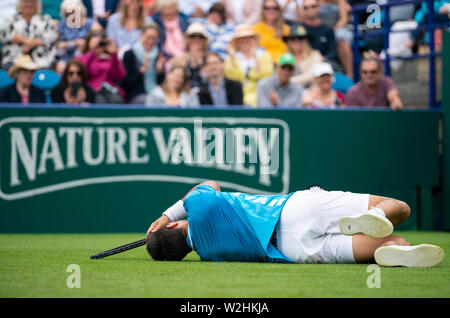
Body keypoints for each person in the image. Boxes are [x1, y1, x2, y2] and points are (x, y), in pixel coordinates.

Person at [145, 180, 444, 267]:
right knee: (399, 210)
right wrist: (167, 214)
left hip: (295, 250)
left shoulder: (209, 256)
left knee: (391, 243)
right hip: (295, 210)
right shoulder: (200, 205)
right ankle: (376, 218)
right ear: (172, 228)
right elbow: (207, 185)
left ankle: (397, 250)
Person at [224, 24, 274, 108]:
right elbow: (231, 77)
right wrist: (233, 59)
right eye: (241, 38)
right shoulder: (231, 58)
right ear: (237, 42)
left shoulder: (264, 55)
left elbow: (266, 75)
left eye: (248, 37)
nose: (245, 40)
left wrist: (255, 57)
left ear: (253, 39)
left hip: (260, 97)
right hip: (237, 98)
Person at [0, 0, 58, 70]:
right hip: (14, 60)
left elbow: (52, 35)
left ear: (37, 5)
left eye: (32, 2)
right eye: (26, 2)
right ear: (20, 4)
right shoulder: (11, 20)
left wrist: (30, 44)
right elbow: (4, 34)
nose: (29, 4)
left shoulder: (46, 19)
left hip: (42, 61)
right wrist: (26, 40)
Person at [77, 30, 127, 103]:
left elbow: (119, 75)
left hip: (111, 91)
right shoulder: (81, 58)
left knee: (117, 100)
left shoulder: (110, 58)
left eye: (100, 43)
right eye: (95, 43)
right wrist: (92, 52)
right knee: (99, 100)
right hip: (92, 91)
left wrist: (113, 54)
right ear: (88, 43)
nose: (98, 45)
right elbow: (81, 72)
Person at [122, 23, 165, 104]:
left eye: (154, 38)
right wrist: (140, 72)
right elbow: (126, 83)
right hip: (136, 95)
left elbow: (161, 82)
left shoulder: (158, 55)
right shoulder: (130, 54)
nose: (150, 41)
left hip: (155, 92)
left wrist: (160, 70)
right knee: (149, 100)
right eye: (148, 37)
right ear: (141, 35)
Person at [56, 0, 96, 74]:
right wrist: (61, 45)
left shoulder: (91, 24)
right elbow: (57, 43)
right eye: (68, 14)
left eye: (73, 13)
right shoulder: (61, 25)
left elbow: (96, 42)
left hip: (85, 55)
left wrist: (85, 43)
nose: (71, 16)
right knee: (61, 66)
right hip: (66, 55)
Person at [318, 0, 354, 79]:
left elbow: (344, 19)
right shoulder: (316, 2)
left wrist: (332, 30)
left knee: (341, 38)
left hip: (338, 28)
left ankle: (349, 76)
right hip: (322, 29)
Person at [300, 0, 338, 68]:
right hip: (304, 64)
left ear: (319, 7)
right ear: (303, 10)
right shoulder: (299, 29)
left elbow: (333, 53)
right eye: (306, 7)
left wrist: (322, 59)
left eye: (313, 6)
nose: (310, 9)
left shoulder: (327, 29)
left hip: (324, 64)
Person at [170, 22, 209, 89]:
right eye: (193, 36)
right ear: (188, 39)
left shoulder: (211, 58)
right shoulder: (180, 59)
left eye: (200, 37)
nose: (197, 39)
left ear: (204, 40)